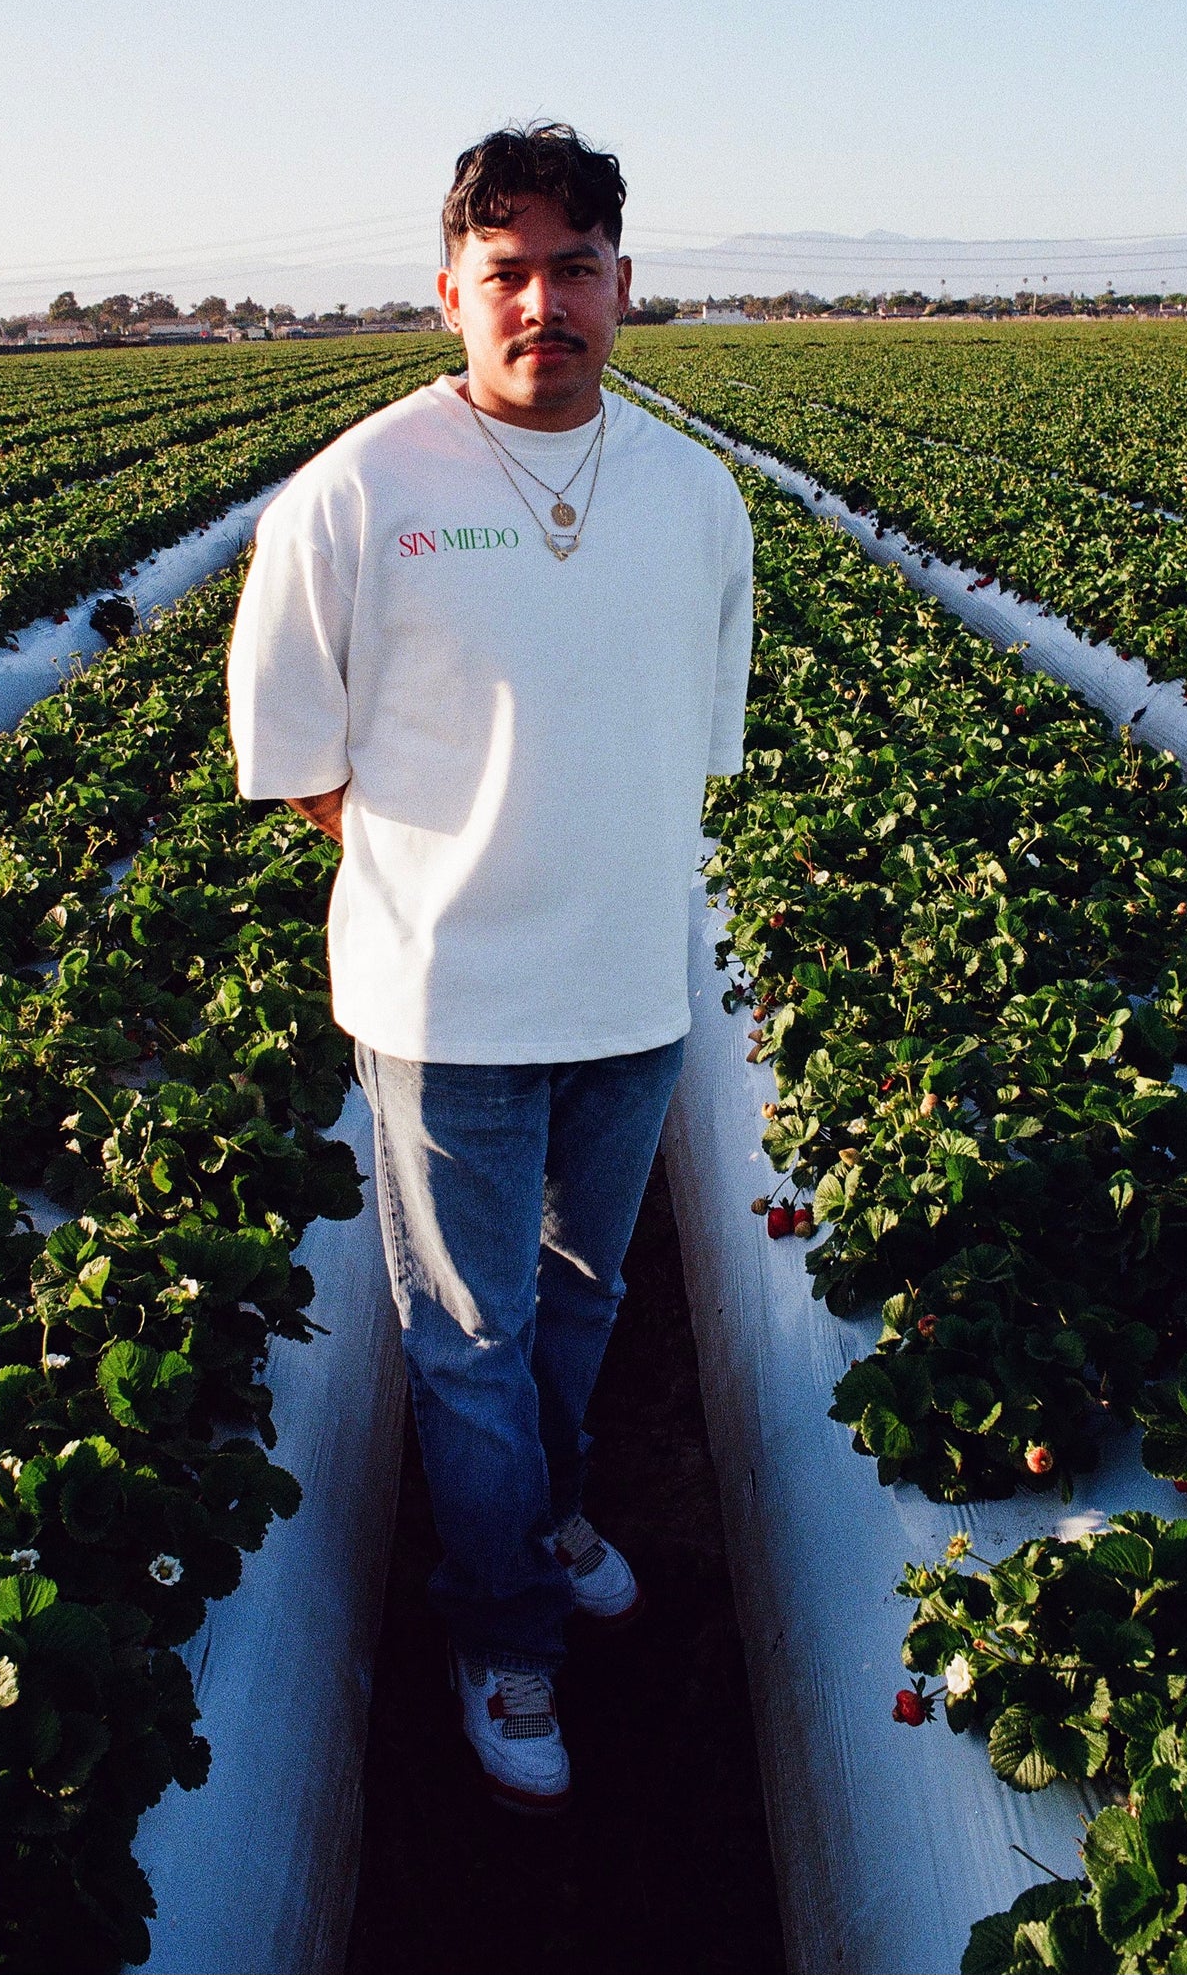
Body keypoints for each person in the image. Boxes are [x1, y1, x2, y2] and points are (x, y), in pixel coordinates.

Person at [227, 122, 753, 1813]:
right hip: (445, 1002)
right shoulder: (358, 493)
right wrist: (445, 882)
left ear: (625, 285)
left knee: (579, 1303)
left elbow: (691, 743)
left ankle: (547, 1509)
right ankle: (502, 1629)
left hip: (630, 991)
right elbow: (299, 754)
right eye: (506, 271)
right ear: (449, 291)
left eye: (577, 266)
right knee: (467, 1338)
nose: (546, 301)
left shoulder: (693, 492)